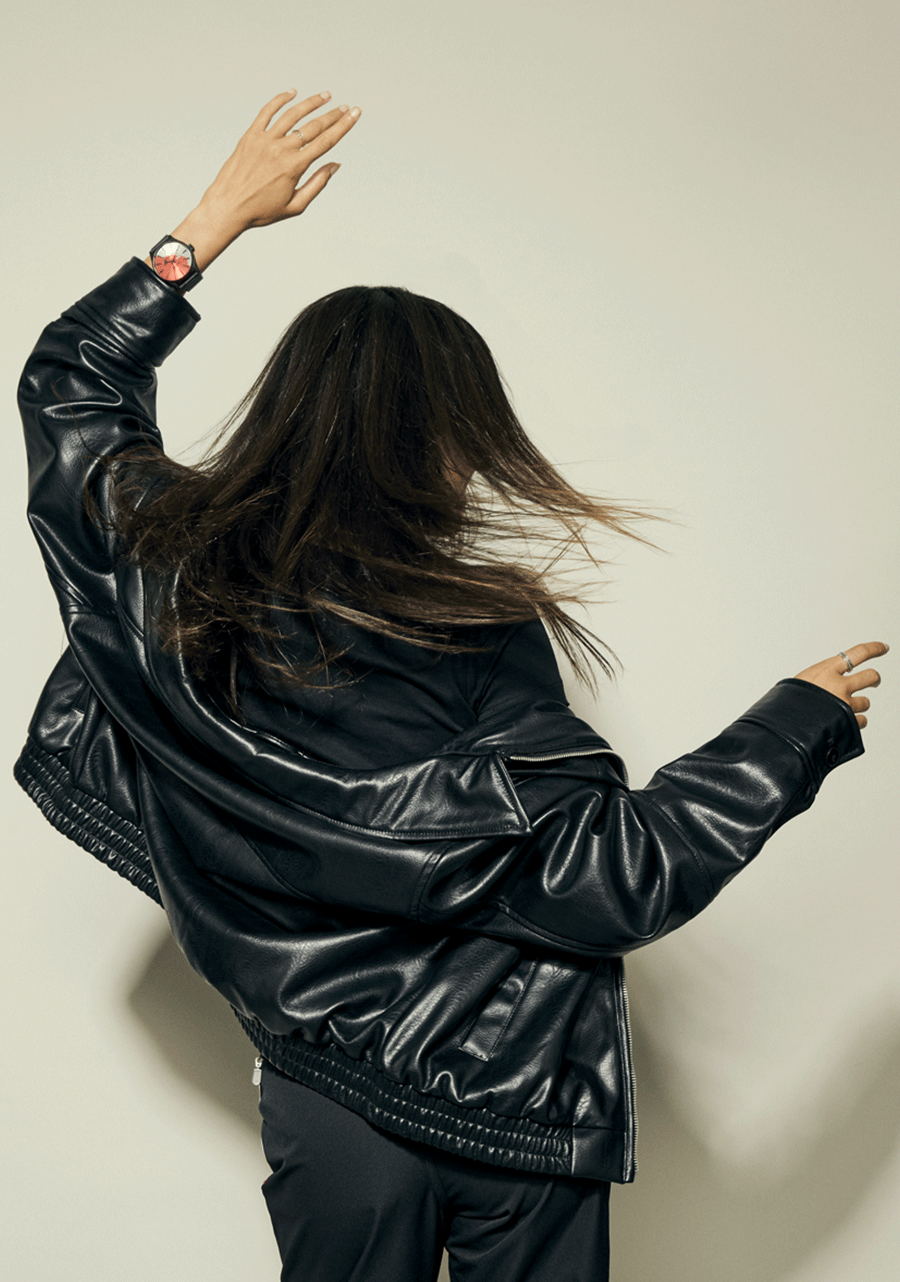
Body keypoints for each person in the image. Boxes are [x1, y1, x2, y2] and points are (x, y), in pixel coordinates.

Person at [15, 89, 887, 1282]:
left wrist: (210, 222)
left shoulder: (163, 570)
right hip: (513, 1090)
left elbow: (69, 386)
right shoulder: (478, 627)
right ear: (444, 438)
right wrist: (793, 727)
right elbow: (609, 877)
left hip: (325, 1095)